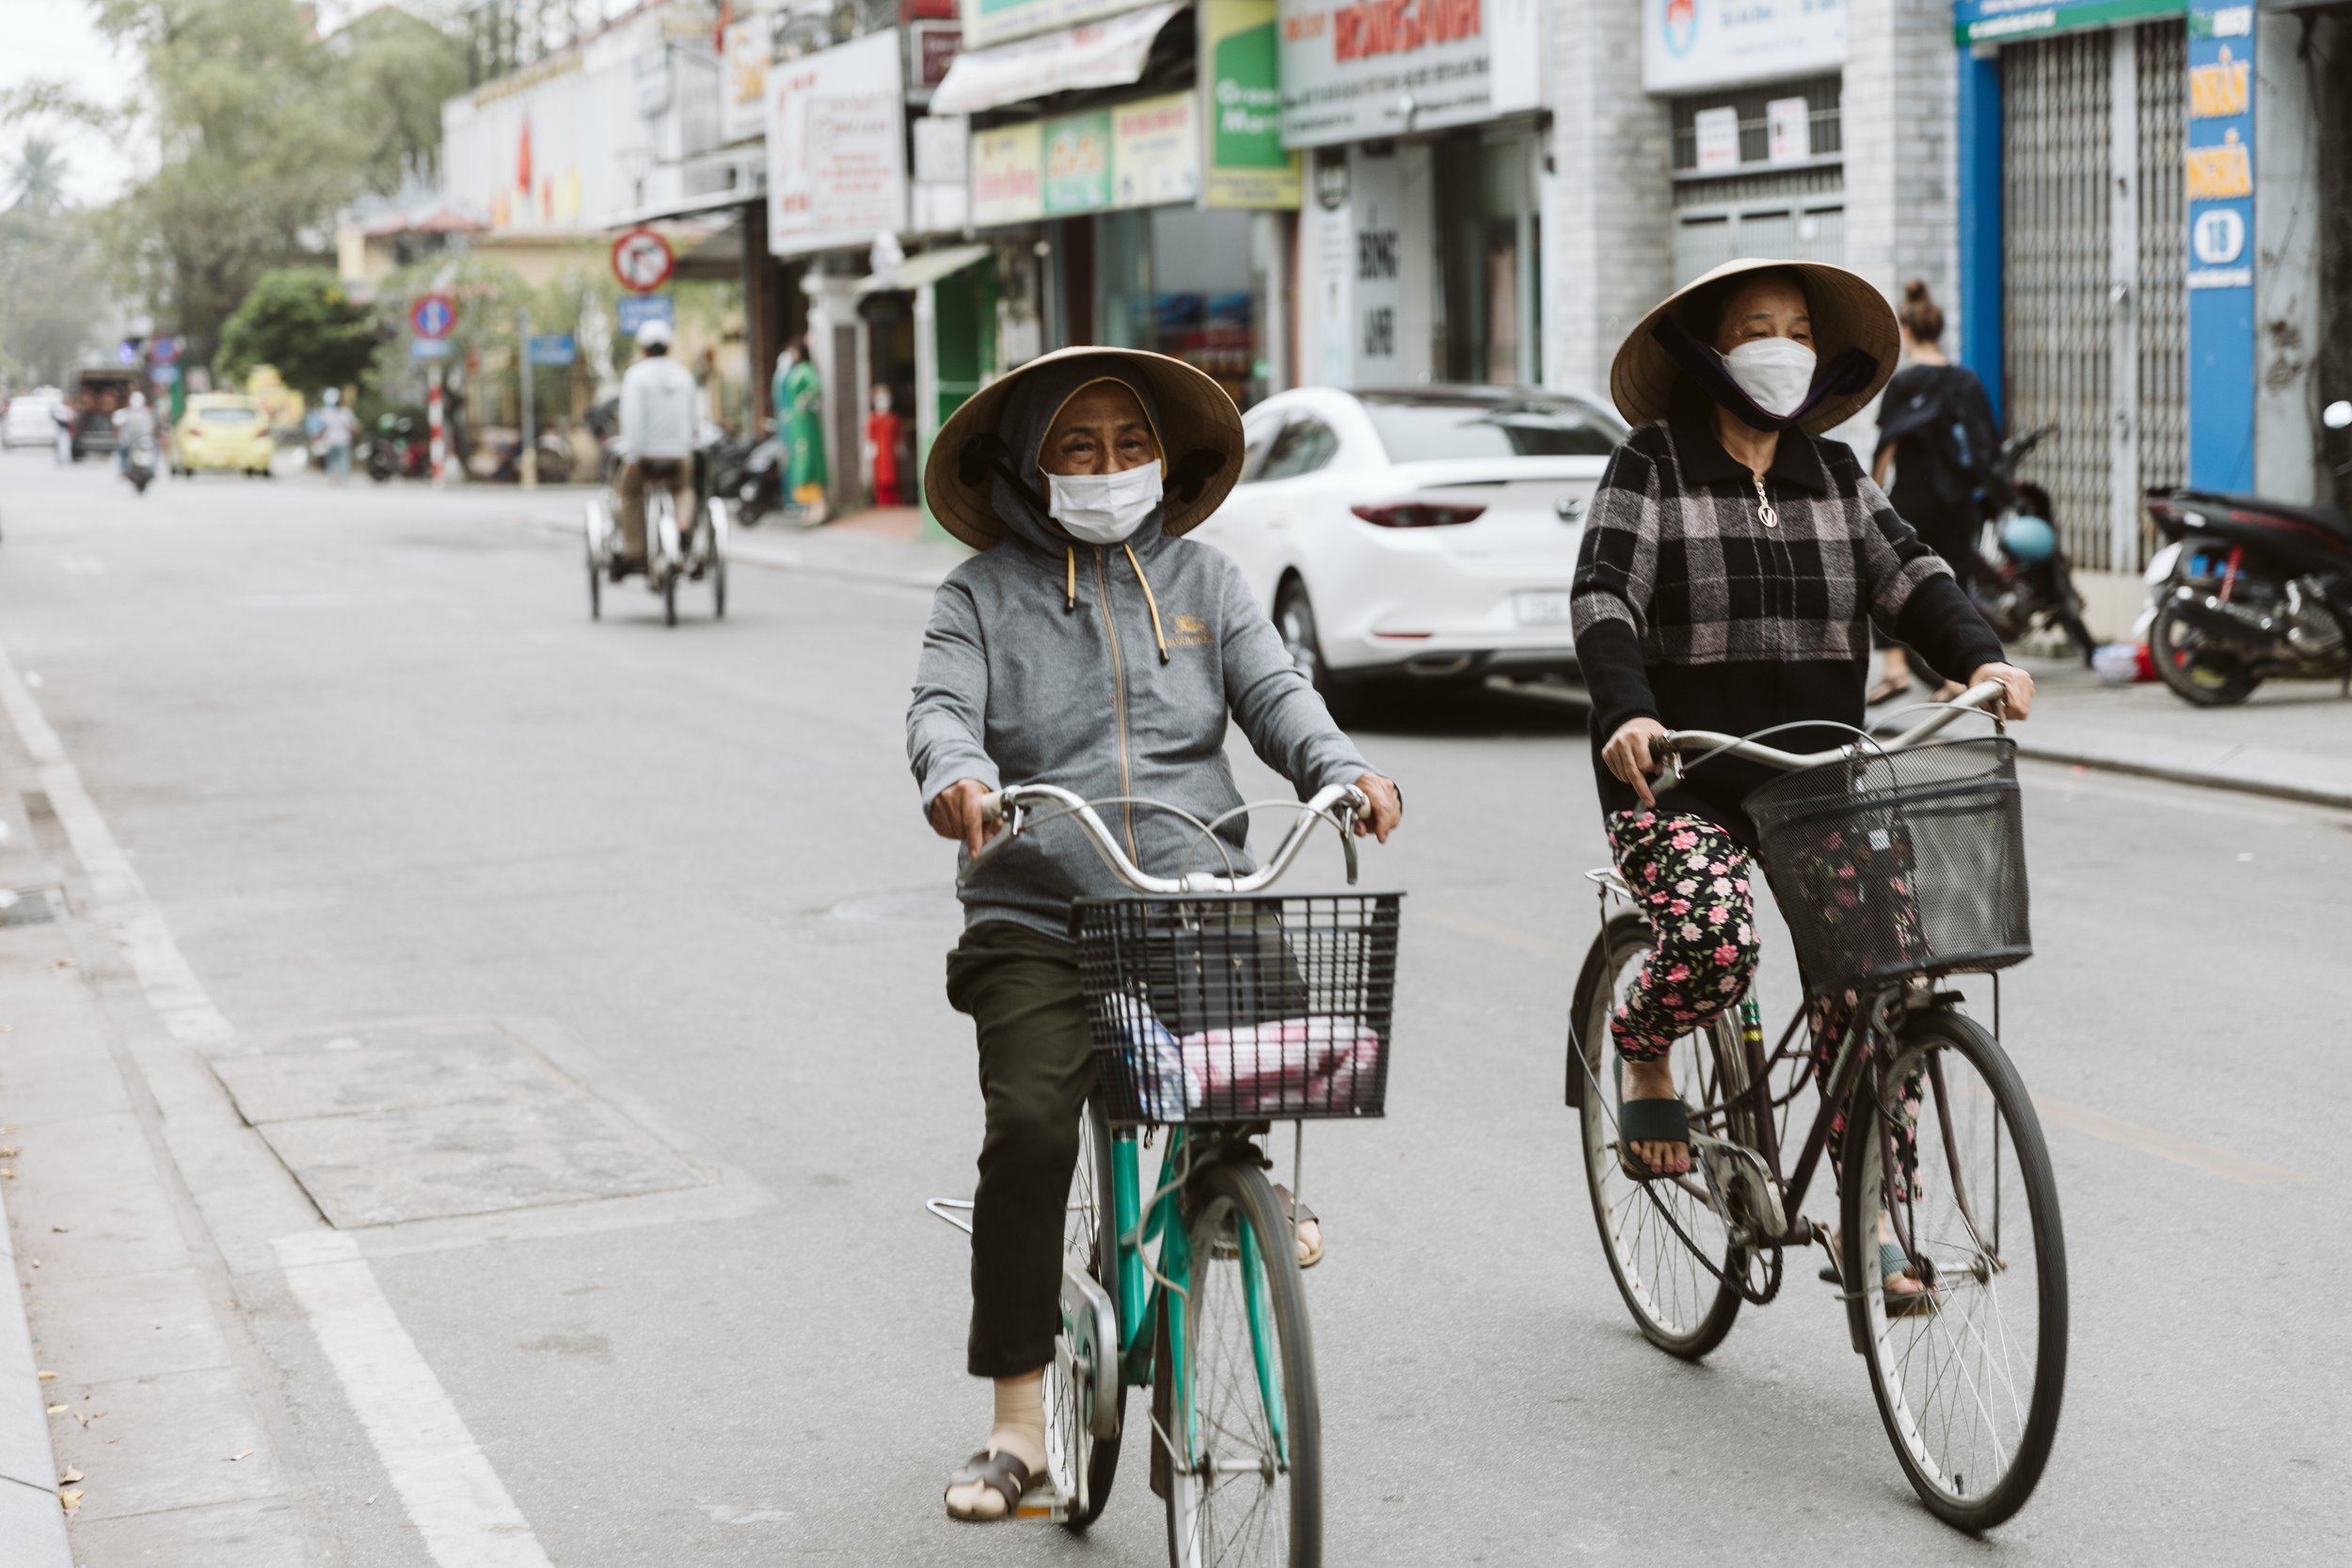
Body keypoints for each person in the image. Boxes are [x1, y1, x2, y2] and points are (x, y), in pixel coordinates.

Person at [907, 347, 1404, 1523]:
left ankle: (1237, 1179)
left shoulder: (1207, 580)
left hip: (1191, 894)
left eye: (1128, 446)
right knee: (1029, 1125)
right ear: (1028, 471)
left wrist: (1340, 767)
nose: (1109, 468)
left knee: (1275, 1021)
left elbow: (1276, 693)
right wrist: (959, 776)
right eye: (1077, 450)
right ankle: (1018, 1423)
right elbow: (940, 707)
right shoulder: (976, 596)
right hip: (1035, 908)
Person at [1570, 258, 2034, 1307]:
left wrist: (1981, 657)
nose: (1778, 346)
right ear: (1708, 351)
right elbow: (1603, 594)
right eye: (1753, 328)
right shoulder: (1650, 463)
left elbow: (1912, 576)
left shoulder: (1834, 472)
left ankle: (1873, 1218)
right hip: (1678, 773)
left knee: (1882, 977)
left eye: (1794, 329)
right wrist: (1625, 707)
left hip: (1815, 773)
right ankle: (1643, 1043)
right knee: (1717, 941)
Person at [1868, 279, 2005, 703]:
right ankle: (1954, 677)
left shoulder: (1905, 384)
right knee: (1953, 583)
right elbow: (1988, 445)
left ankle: (1895, 671)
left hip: (1913, 497)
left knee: (1884, 573)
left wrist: (1872, 493)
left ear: (1906, 331)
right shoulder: (1966, 381)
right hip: (1959, 502)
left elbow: (1887, 445)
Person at [614, 318, 698, 575]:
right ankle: (683, 522)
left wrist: (634, 454)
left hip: (644, 456)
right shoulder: (683, 375)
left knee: (628, 494)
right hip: (679, 454)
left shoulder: (636, 376)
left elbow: (632, 418)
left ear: (643, 348)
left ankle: (634, 549)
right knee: (684, 487)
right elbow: (694, 417)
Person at [772, 335, 827, 521]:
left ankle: (819, 504)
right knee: (798, 461)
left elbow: (814, 388)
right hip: (795, 424)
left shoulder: (806, 370)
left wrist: (805, 401)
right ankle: (808, 505)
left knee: (808, 460)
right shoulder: (792, 372)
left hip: (805, 423)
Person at [865, 383, 905, 507]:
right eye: (880, 399)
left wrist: (900, 447)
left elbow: (899, 435)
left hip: (891, 454)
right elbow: (870, 436)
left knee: (894, 477)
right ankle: (882, 502)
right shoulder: (872, 419)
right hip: (879, 454)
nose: (883, 402)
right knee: (880, 478)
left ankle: (895, 501)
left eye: (885, 399)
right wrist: (870, 448)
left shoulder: (894, 419)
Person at [317, 388, 358, 481]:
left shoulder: (325, 412)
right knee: (343, 459)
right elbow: (352, 427)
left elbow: (322, 428)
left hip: (331, 440)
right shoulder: (346, 412)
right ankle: (342, 477)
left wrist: (319, 436)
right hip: (343, 440)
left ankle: (333, 476)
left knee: (332, 459)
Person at [110, 391, 155, 475]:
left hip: (140, 441)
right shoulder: (144, 412)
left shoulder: (142, 412)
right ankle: (124, 469)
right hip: (131, 441)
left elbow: (117, 423)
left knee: (153, 451)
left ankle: (125, 469)